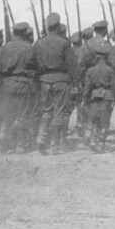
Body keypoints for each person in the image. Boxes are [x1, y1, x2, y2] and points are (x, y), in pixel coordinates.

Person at [31, 13, 79, 153]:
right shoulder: (64, 43)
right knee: (58, 112)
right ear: (58, 26)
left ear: (47, 27)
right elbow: (72, 65)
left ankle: (41, 138)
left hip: (44, 81)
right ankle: (55, 145)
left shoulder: (38, 43)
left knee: (46, 111)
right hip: (61, 80)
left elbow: (32, 64)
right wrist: (75, 83)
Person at [0, 22, 37, 153]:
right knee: (22, 115)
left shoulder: (4, 48)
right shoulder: (28, 47)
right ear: (24, 33)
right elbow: (33, 66)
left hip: (8, 83)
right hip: (23, 84)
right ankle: (20, 145)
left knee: (8, 114)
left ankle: (3, 140)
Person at [83, 40, 115, 150]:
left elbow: (87, 87)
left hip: (94, 96)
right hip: (107, 96)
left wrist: (85, 99)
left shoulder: (90, 70)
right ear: (106, 56)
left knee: (94, 119)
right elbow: (114, 86)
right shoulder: (110, 70)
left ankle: (93, 140)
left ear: (97, 56)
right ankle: (101, 142)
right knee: (104, 120)